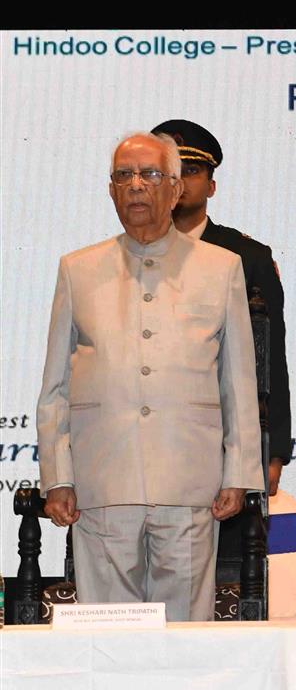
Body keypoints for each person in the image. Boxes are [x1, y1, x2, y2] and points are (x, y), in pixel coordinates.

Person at [37, 132, 263, 621]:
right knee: (108, 632)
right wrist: (57, 477)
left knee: (184, 629)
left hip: (189, 480)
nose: (136, 185)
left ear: (176, 189)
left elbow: (238, 381)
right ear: (111, 190)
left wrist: (239, 472)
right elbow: (54, 385)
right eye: (124, 175)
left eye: (150, 174)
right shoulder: (78, 269)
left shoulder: (222, 267)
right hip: (102, 480)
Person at [151, 119, 291, 495]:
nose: (180, 181)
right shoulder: (119, 256)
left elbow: (270, 355)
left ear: (211, 185)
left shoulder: (246, 256)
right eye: (169, 172)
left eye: (191, 171)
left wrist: (274, 449)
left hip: (222, 441)